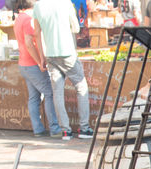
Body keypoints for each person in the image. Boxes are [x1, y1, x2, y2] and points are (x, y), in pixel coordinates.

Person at [33, 0, 94, 140]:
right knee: (81, 86)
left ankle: (65, 131)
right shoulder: (66, 3)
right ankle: (84, 128)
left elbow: (37, 33)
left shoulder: (38, 6)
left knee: (57, 92)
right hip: (67, 52)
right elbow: (76, 28)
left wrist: (41, 57)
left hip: (50, 55)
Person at [14, 0, 60, 137]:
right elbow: (29, 43)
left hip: (23, 64)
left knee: (34, 97)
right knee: (49, 93)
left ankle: (38, 129)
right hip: (31, 64)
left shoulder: (19, 18)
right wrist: (39, 61)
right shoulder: (28, 20)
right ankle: (54, 128)